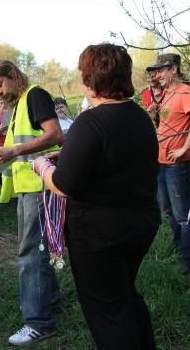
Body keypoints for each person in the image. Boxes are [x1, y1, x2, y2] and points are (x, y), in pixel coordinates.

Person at [33, 43, 160, 350]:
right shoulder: (140, 117)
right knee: (124, 295)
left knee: (108, 313)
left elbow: (65, 185)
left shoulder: (91, 121)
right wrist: (68, 153)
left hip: (100, 234)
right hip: (140, 223)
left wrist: (42, 166)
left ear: (90, 80)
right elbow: (115, 155)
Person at [0, 59, 63, 346]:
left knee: (30, 252)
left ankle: (39, 322)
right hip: (30, 186)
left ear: (13, 75)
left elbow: (55, 135)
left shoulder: (35, 95)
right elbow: (19, 150)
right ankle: (50, 302)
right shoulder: (19, 104)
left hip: (39, 185)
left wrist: (14, 149)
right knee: (39, 247)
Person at [149, 53, 190, 274]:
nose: (157, 75)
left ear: (174, 69)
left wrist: (184, 148)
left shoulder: (185, 92)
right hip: (162, 162)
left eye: (161, 70)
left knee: (184, 214)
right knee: (169, 211)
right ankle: (180, 246)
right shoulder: (166, 94)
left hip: (178, 164)